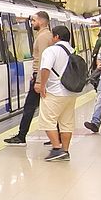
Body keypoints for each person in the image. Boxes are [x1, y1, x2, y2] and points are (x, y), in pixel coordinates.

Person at [5, 11, 55, 145]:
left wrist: (39, 81)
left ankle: (21, 136)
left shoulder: (43, 37)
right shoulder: (44, 35)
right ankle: (56, 136)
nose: (32, 23)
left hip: (41, 78)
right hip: (42, 78)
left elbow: (44, 60)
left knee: (29, 107)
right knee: (47, 108)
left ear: (42, 21)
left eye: (34, 20)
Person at [36, 25, 79, 161]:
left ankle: (56, 148)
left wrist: (42, 86)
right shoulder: (72, 50)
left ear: (56, 37)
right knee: (66, 123)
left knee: (48, 120)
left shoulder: (51, 51)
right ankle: (65, 151)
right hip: (70, 92)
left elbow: (45, 69)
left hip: (54, 91)